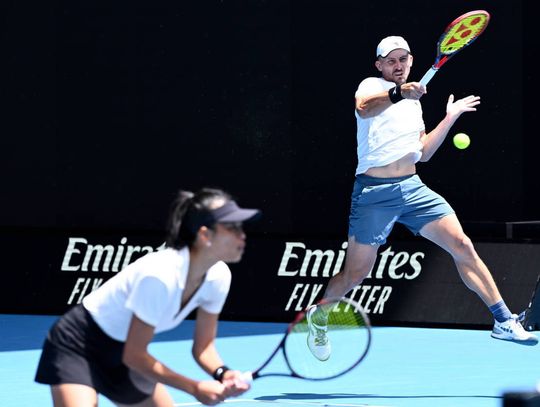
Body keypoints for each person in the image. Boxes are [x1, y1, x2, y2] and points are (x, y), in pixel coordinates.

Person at [306, 35, 538, 361]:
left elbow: (423, 153)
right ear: (379, 65)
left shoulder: (414, 104)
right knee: (356, 273)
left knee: (462, 246)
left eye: (403, 59)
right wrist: (399, 91)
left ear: (412, 61)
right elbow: (365, 107)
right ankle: (320, 313)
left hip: (413, 189)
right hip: (374, 193)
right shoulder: (370, 86)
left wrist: (450, 116)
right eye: (391, 61)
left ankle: (503, 320)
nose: (398, 65)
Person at [35, 187, 260, 406]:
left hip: (122, 353)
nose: (242, 235)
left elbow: (203, 347)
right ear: (205, 235)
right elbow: (135, 356)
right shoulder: (160, 276)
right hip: (77, 345)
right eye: (231, 228)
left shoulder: (219, 277)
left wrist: (223, 373)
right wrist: (194, 388)